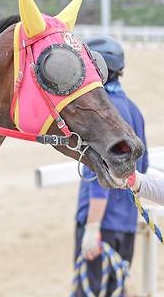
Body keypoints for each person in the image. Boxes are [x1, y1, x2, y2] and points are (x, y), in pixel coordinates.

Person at [73, 35, 148, 296]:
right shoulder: (133, 109)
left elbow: (101, 177)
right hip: (125, 223)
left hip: (102, 223)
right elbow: (141, 171)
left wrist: (92, 226)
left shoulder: (100, 115)